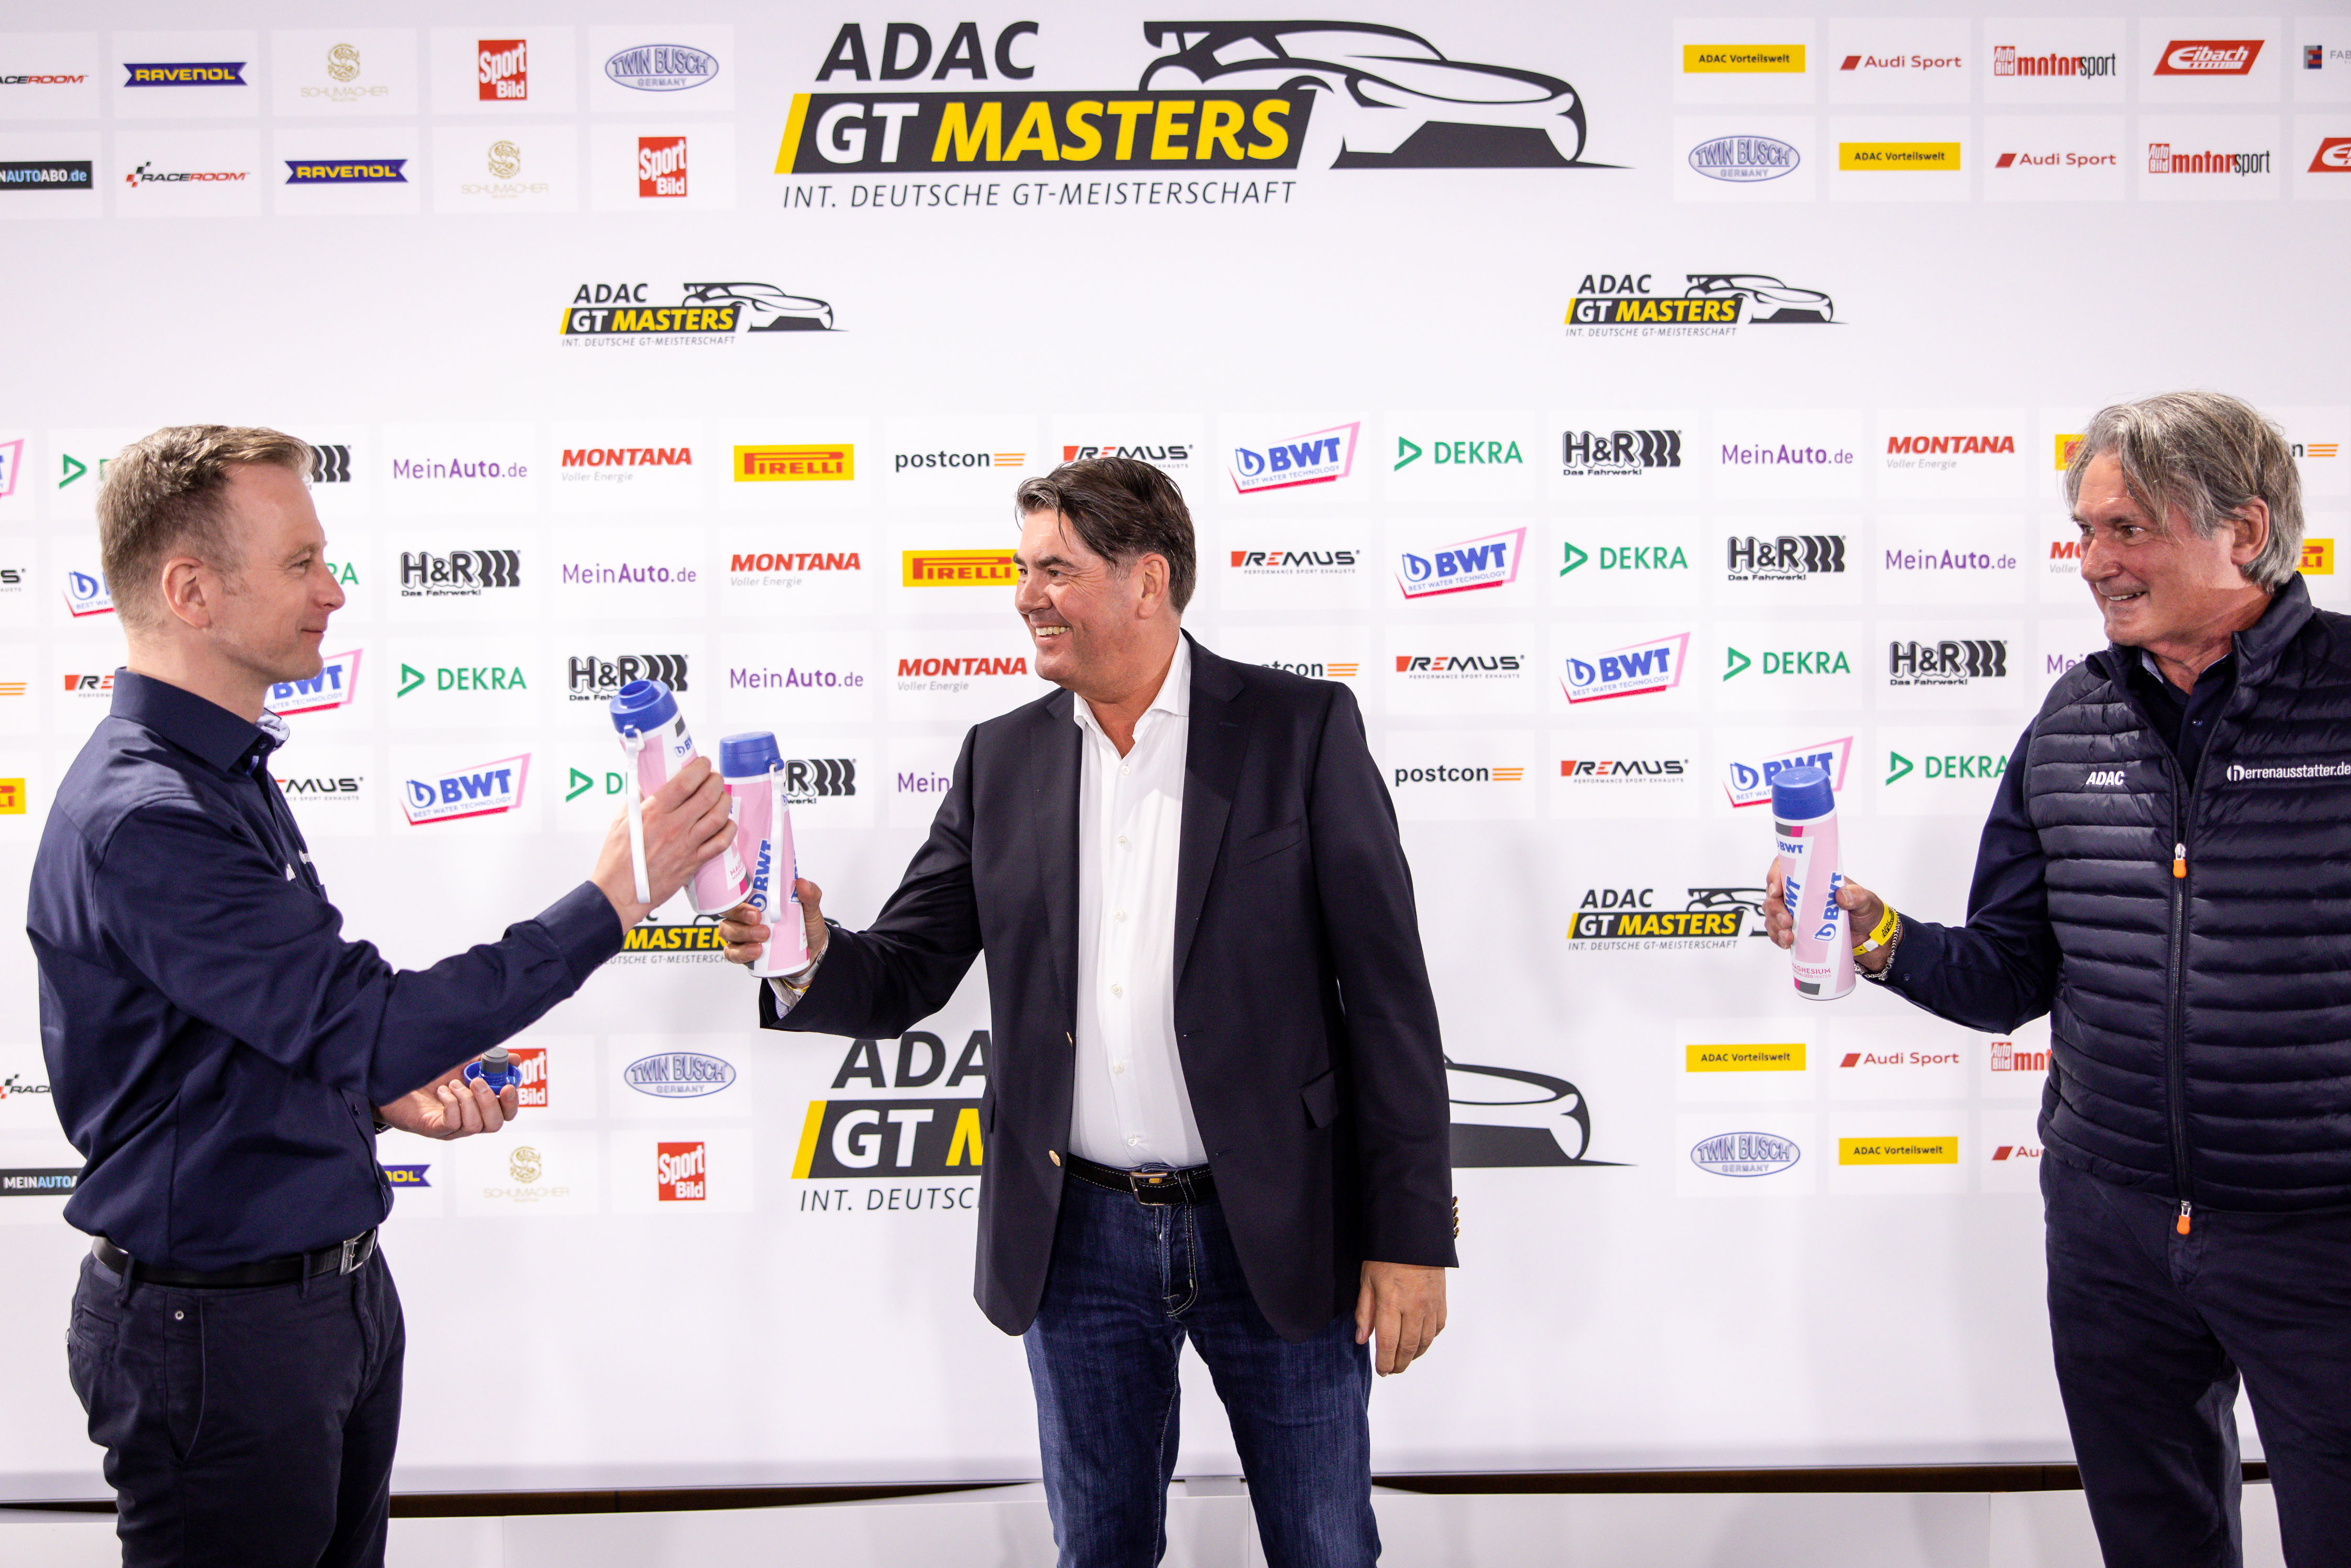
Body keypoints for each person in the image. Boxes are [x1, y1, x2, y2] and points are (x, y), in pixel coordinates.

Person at [720, 456, 1456, 1567]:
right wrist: (805, 953)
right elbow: (909, 969)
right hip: (1078, 1243)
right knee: (1099, 1550)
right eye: (1024, 570)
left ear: (1147, 580)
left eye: (1054, 570)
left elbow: (1391, 1000)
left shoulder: (1299, 730)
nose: (1026, 596)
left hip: (1279, 1223)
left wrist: (1409, 1236)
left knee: (1325, 1547)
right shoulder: (1001, 758)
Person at [28, 425, 734, 1568]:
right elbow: (367, 1023)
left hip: (319, 1308)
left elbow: (256, 1038)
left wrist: (371, 1097)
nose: (334, 591)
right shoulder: (151, 816)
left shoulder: (220, 776)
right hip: (223, 1335)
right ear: (191, 591)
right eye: (301, 562)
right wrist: (615, 897)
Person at [1766, 391, 2344, 1566]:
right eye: (2085, 531)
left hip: (2320, 1232)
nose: (2093, 562)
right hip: (2113, 1234)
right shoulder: (2074, 717)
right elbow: (2009, 970)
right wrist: (1876, 935)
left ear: (2242, 530)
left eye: (2128, 529)